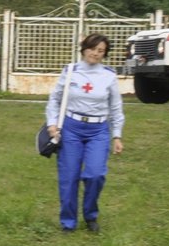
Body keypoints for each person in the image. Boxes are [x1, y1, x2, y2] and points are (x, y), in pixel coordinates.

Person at [45, 33, 125, 233]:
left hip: (98, 130)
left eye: (100, 51)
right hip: (71, 128)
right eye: (92, 48)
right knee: (69, 176)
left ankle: (90, 215)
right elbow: (55, 99)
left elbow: (115, 107)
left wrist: (117, 135)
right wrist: (52, 124)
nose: (95, 54)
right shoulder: (70, 71)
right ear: (84, 48)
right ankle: (68, 222)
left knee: (95, 174)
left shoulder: (108, 75)